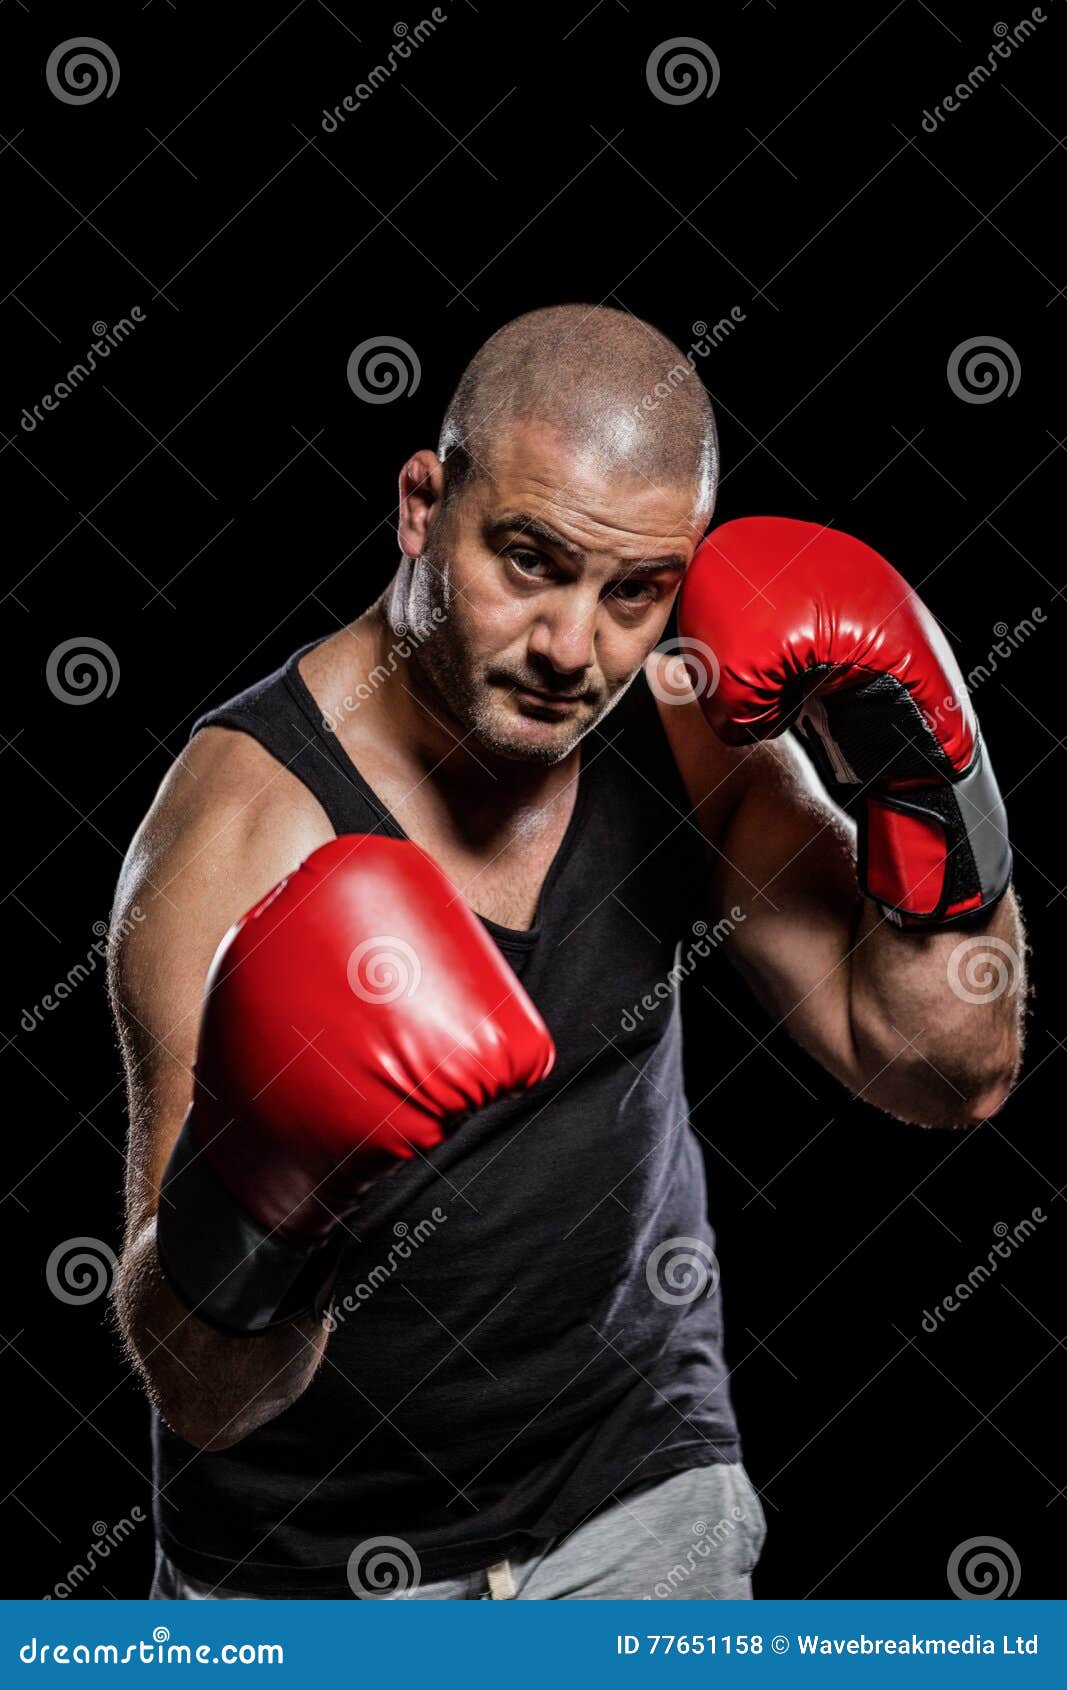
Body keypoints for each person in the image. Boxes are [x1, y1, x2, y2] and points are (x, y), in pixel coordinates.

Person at [109, 305, 1024, 1600]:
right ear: (424, 505)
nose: (570, 647)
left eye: (635, 590)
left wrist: (929, 780)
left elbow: (947, 1064)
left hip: (639, 1498)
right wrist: (264, 1177)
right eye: (530, 560)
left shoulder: (679, 724)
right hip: (314, 1574)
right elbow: (201, 1390)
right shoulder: (240, 834)